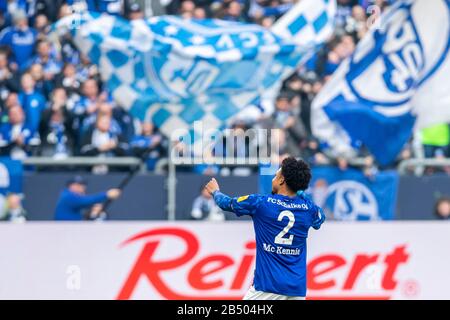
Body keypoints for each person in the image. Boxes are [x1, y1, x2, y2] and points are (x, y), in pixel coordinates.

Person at [204, 156, 325, 300]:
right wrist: (302, 195)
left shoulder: (260, 203)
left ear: (281, 180)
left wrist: (215, 192)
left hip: (267, 288)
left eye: (276, 175)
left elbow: (227, 203)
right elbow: (320, 219)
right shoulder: (308, 208)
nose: (273, 179)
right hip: (296, 289)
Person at [54, 175, 121, 221]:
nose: (83, 188)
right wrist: (107, 194)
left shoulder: (69, 196)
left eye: (83, 185)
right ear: (72, 186)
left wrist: (96, 209)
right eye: (79, 185)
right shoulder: (68, 196)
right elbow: (86, 201)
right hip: (64, 230)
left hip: (70, 229)